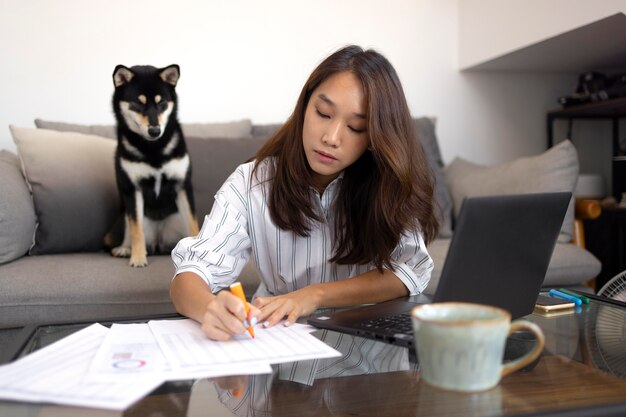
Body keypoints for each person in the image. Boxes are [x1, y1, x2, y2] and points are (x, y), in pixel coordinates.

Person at [170, 45, 439, 341]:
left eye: (355, 127)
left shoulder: (386, 184)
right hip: (278, 343)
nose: (331, 138)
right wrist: (210, 309)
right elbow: (191, 274)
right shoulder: (251, 183)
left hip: (363, 349)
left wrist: (315, 295)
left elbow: (411, 269)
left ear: (376, 136)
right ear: (305, 106)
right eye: (323, 113)